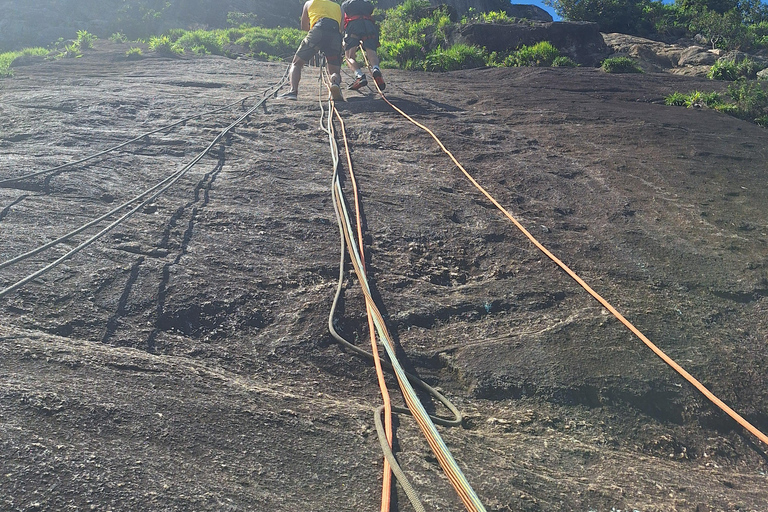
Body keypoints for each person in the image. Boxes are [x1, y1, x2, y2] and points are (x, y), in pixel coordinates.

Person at [279, 0, 344, 101]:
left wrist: (315, 41)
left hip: (318, 30)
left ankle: (293, 91)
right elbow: (341, 29)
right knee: (335, 70)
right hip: (334, 34)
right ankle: (335, 84)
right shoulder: (338, 7)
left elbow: (304, 26)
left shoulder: (310, 3)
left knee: (297, 63)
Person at [341, 0, 385, 91]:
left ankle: (359, 75)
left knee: (349, 56)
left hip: (353, 26)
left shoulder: (346, 5)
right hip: (368, 25)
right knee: (371, 50)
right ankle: (376, 69)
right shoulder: (367, 3)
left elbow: (343, 20)